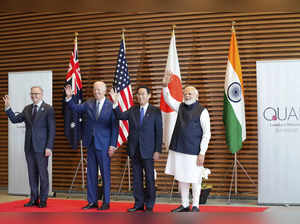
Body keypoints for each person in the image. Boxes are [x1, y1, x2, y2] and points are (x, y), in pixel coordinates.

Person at [64, 81, 118, 211]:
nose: (96, 92)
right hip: (90, 144)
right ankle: (92, 201)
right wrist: (69, 97)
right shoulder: (88, 103)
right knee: (91, 174)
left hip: (104, 145)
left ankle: (106, 202)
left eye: (99, 89)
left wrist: (112, 145)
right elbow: (75, 109)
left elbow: (115, 127)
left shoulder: (111, 106)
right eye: (95, 89)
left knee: (105, 174)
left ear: (105, 91)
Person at [162, 73, 211, 212]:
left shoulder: (203, 111)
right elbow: (168, 99)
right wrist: (165, 86)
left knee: (195, 179)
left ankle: (195, 205)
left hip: (194, 151)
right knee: (182, 178)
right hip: (179, 149)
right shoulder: (180, 106)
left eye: (190, 94)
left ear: (197, 96)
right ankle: (184, 204)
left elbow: (207, 134)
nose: (187, 96)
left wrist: (202, 153)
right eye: (185, 93)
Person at [110, 86, 162, 212]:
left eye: (143, 94)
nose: (140, 97)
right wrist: (116, 103)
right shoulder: (133, 109)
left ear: (149, 96)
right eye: (138, 94)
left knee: (149, 179)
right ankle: (138, 204)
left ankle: (149, 205)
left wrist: (157, 150)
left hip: (149, 151)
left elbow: (158, 132)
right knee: (137, 179)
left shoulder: (155, 111)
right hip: (134, 150)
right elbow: (121, 116)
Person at [3, 86, 56, 208]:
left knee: (43, 175)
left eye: (36, 93)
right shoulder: (27, 109)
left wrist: (49, 147)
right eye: (32, 93)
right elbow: (15, 120)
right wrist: (8, 107)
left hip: (42, 148)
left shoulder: (48, 109)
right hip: (29, 148)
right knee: (32, 174)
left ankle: (43, 200)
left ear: (42, 94)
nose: (34, 96)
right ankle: (33, 199)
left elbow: (52, 130)